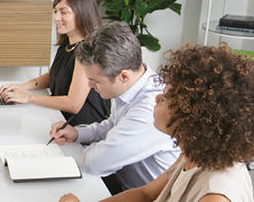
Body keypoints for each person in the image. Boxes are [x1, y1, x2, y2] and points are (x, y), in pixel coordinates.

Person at [60, 43, 254, 202]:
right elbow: (145, 194)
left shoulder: (216, 194)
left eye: (166, 98)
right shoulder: (193, 153)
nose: (157, 99)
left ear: (194, 116)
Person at [50, 22, 180, 194]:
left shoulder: (150, 109)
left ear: (123, 76)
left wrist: (64, 156)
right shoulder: (130, 85)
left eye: (96, 81)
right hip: (128, 188)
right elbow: (113, 125)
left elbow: (97, 163)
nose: (89, 85)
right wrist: (78, 134)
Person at [0, 0, 109, 126]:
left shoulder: (88, 51)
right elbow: (55, 75)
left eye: (63, 12)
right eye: (55, 11)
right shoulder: (67, 45)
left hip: (82, 131)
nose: (56, 18)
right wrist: (22, 87)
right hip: (59, 119)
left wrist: (29, 98)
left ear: (82, 13)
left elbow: (73, 104)